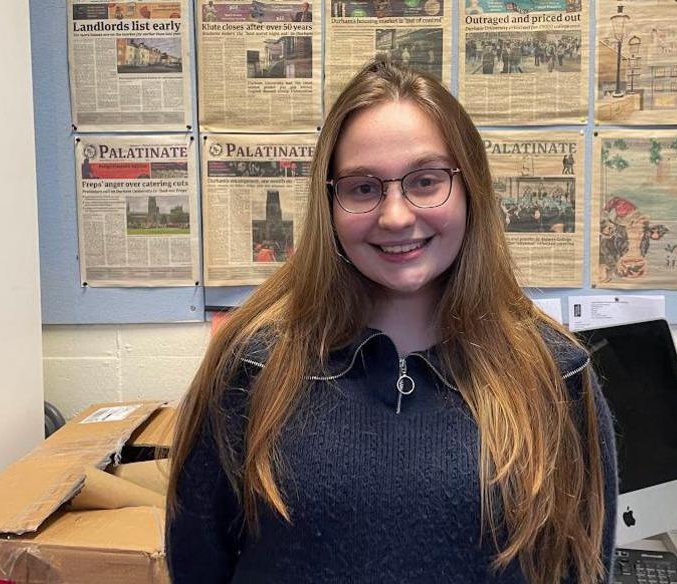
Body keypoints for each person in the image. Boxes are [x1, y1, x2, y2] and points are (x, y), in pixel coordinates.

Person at [166, 58, 617, 583]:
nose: (397, 216)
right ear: (328, 204)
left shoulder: (553, 374)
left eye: (425, 181)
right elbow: (198, 562)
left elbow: (582, 568)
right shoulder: (251, 364)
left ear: (470, 187)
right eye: (362, 188)